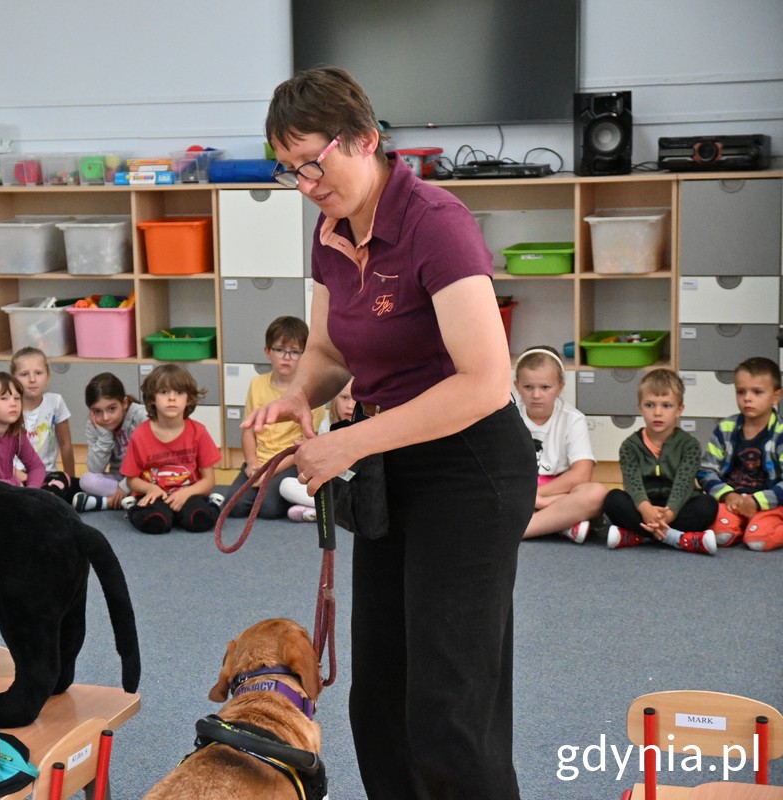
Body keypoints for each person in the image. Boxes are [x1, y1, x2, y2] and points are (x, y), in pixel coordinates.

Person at [249, 66, 536, 798]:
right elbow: (327, 353)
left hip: (470, 468)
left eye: (314, 162)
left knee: (449, 712)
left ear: (367, 140)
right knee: (376, 704)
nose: (306, 183)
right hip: (390, 466)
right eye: (290, 171)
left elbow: (484, 381)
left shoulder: (435, 222)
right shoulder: (329, 229)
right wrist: (296, 396)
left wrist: (347, 442)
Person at [602, 368, 718, 554]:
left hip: (677, 506)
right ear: (640, 407)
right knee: (612, 499)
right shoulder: (629, 446)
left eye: (666, 405)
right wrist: (646, 508)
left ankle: (637, 536)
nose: (657, 413)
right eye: (650, 405)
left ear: (679, 409)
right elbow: (632, 483)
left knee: (708, 505)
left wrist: (670, 512)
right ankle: (677, 538)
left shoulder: (690, 445)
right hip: (643, 506)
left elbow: (684, 483)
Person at [227, 316, 326, 519]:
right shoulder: (256, 384)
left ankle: (299, 503)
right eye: (280, 350)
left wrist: (268, 472)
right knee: (234, 508)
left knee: (268, 510)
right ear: (268, 352)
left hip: (288, 463)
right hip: (258, 461)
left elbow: (304, 445)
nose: (286, 357)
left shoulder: (313, 392)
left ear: (304, 355)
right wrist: (253, 464)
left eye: (295, 351)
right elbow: (248, 431)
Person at [515, 346, 609, 543]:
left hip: (556, 489)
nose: (536, 395)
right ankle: (561, 523)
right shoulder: (509, 417)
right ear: (517, 385)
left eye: (545, 387)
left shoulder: (573, 419)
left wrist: (537, 497)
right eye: (528, 387)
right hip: (521, 488)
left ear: (560, 386)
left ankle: (521, 530)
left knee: (597, 494)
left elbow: (582, 474)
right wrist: (532, 496)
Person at [120, 364, 223, 534]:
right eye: (164, 392)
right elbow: (131, 480)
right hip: (155, 495)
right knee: (156, 523)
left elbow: (208, 480)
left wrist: (186, 493)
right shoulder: (140, 435)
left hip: (189, 493)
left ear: (189, 399)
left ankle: (212, 504)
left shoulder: (199, 431)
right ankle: (132, 507)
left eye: (179, 392)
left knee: (199, 521)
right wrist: (151, 489)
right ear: (152, 398)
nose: (172, 398)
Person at [697, 356, 783, 551]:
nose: (747, 398)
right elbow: (705, 471)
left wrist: (757, 502)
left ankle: (756, 526)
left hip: (771, 504)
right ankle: (743, 524)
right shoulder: (725, 428)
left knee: (757, 541)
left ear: (776, 397)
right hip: (732, 502)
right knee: (721, 536)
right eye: (741, 391)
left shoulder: (781, 433)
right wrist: (728, 496)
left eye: (757, 392)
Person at [278, 377, 355, 522]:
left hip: (356, 489)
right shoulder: (327, 425)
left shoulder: (368, 427)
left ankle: (323, 512)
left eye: (356, 399)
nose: (350, 405)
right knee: (286, 485)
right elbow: (321, 468)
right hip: (332, 486)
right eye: (344, 398)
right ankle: (333, 512)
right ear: (335, 399)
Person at [72, 372, 149, 512]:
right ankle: (130, 499)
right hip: (119, 477)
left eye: (112, 409)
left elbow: (149, 461)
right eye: (97, 411)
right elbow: (95, 469)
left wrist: (124, 487)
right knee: (86, 480)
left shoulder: (141, 416)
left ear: (124, 403)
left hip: (145, 475)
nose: (106, 417)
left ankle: (106, 502)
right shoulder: (93, 425)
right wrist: (105, 437)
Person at [10, 347, 75, 499]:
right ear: (13, 378)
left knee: (55, 490)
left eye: (38, 373)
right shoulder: (9, 405)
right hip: (15, 474)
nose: (32, 379)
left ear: (48, 376)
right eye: (24, 374)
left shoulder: (55, 402)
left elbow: (65, 444)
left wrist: (71, 479)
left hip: (47, 474)